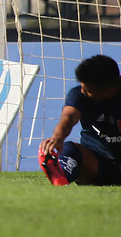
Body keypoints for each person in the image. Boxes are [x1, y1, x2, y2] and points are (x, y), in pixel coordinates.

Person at [38, 54, 121, 186]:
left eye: (88, 90)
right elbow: (68, 118)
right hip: (96, 164)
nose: (83, 91)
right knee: (71, 148)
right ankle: (61, 177)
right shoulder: (78, 95)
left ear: (109, 91)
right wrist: (57, 137)